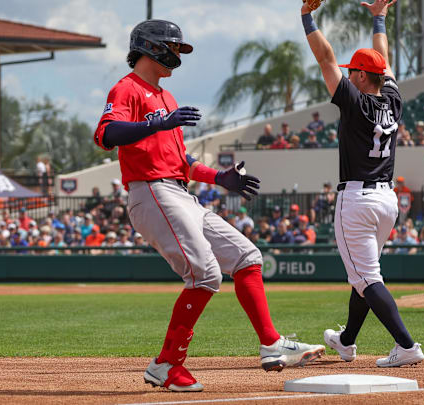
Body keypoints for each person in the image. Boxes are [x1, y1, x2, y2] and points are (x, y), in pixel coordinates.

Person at [93, 19, 323, 392]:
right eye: (174, 47)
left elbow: (180, 162)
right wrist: (157, 124)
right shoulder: (127, 89)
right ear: (152, 47)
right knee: (205, 274)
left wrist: (220, 178)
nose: (177, 54)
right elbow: (106, 134)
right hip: (151, 191)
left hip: (179, 191)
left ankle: (271, 343)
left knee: (247, 256)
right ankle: (167, 365)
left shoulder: (166, 98)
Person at [302, 0, 424, 367]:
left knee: (366, 277)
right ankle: (347, 341)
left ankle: (406, 346)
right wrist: (379, 18)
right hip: (387, 201)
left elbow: (325, 58)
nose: (347, 73)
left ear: (357, 77)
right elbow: (381, 60)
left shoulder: (355, 101)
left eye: (351, 70)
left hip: (357, 199)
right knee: (365, 275)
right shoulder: (392, 98)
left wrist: (306, 17)